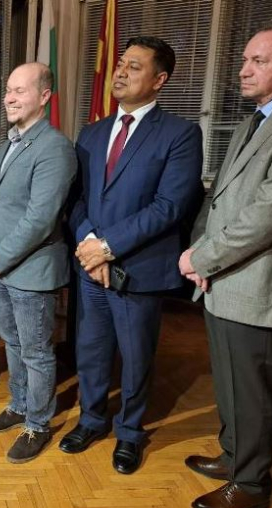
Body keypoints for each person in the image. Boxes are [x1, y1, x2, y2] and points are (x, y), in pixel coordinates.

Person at [64, 36, 204, 474]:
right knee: (91, 350)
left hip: (139, 270)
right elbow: (76, 199)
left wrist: (107, 247)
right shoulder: (92, 132)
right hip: (90, 267)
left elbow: (169, 206)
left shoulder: (181, 134)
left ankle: (129, 432)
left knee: (136, 356)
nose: (120, 72)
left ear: (159, 80)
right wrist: (90, 245)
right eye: (120, 63)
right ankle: (91, 420)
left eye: (134, 66)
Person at [180, 21, 272, 508]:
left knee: (252, 391)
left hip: (255, 284)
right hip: (222, 280)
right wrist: (200, 252)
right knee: (231, 384)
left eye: (259, 60)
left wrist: (204, 257)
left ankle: (252, 484)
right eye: (244, 60)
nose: (244, 70)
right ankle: (235, 456)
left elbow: (267, 214)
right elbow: (217, 199)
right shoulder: (251, 122)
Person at [0, 63, 76, 464]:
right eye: (8, 90)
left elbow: (41, 218)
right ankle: (19, 405)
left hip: (31, 271)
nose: (9, 98)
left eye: (19, 90)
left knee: (36, 352)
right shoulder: (9, 144)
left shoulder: (55, 148)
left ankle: (38, 423)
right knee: (13, 343)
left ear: (44, 96)